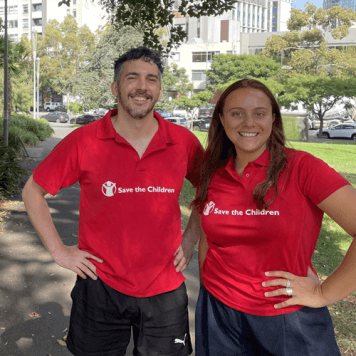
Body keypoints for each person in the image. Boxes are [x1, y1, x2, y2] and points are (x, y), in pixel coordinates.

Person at [22, 46, 204, 356]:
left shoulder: (183, 141)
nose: (142, 87)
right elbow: (32, 191)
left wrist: (190, 239)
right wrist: (60, 252)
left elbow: (208, 188)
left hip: (165, 287)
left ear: (159, 89)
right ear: (115, 87)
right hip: (100, 285)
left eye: (151, 79)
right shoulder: (85, 140)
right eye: (132, 77)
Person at [193, 78, 356, 356]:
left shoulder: (303, 168)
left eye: (259, 113)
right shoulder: (213, 171)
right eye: (236, 113)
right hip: (219, 313)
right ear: (221, 118)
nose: (248, 123)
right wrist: (208, 284)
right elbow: (209, 236)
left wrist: (323, 294)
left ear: (273, 118)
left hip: (286, 315)